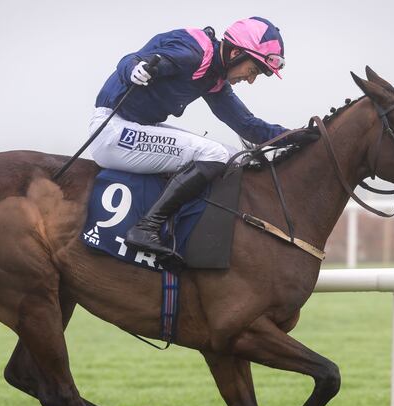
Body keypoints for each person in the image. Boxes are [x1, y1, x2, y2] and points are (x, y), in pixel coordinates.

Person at [89, 16, 318, 263]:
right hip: (112, 131)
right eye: (252, 70)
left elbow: (247, 125)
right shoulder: (192, 53)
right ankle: (146, 227)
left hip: (136, 129)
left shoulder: (214, 77)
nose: (250, 80)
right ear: (235, 54)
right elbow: (131, 60)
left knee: (232, 156)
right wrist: (134, 70)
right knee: (214, 154)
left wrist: (298, 136)